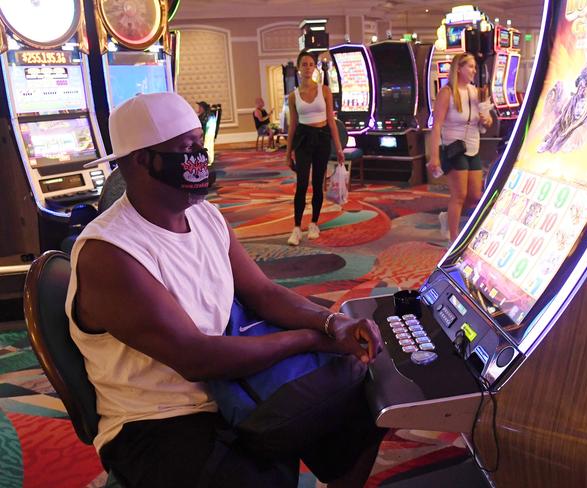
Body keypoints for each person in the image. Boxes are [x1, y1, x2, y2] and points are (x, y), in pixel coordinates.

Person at [65, 92, 384, 488]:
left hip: (229, 384)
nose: (199, 156)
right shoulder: (109, 253)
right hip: (158, 418)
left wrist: (331, 322)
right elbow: (197, 358)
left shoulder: (204, 214)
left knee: (367, 396)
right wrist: (309, 340)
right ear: (142, 160)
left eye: (200, 144)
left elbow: (262, 293)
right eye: (185, 148)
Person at [427, 52, 493, 242]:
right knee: (459, 195)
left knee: (474, 196)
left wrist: (485, 119)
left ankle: (447, 218)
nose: (473, 70)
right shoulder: (447, 92)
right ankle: (453, 239)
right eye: (470, 67)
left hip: (473, 146)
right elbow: (437, 124)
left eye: (474, 67)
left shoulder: (476, 92)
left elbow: (487, 121)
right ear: (459, 69)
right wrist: (434, 156)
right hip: (454, 147)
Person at [285, 50, 345, 246]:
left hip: (321, 138)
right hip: (303, 139)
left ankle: (313, 223)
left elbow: (331, 121)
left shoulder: (324, 90)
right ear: (299, 68)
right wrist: (288, 153)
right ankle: (296, 227)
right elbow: (292, 125)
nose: (308, 68)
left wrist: (338, 148)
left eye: (311, 64)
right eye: (304, 64)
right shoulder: (293, 96)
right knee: (302, 184)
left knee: (318, 183)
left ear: (315, 68)